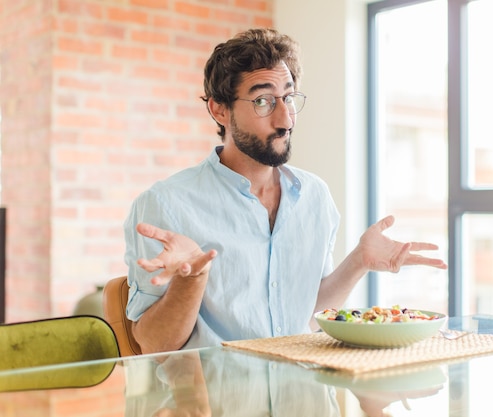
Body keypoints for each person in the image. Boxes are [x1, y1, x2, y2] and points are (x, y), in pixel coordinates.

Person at [123, 28, 447, 354]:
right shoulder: (165, 205)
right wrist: (190, 278)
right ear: (219, 109)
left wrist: (358, 262)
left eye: (289, 98)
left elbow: (304, 316)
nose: (286, 119)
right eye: (263, 100)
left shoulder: (315, 197)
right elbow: (153, 346)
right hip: (218, 400)